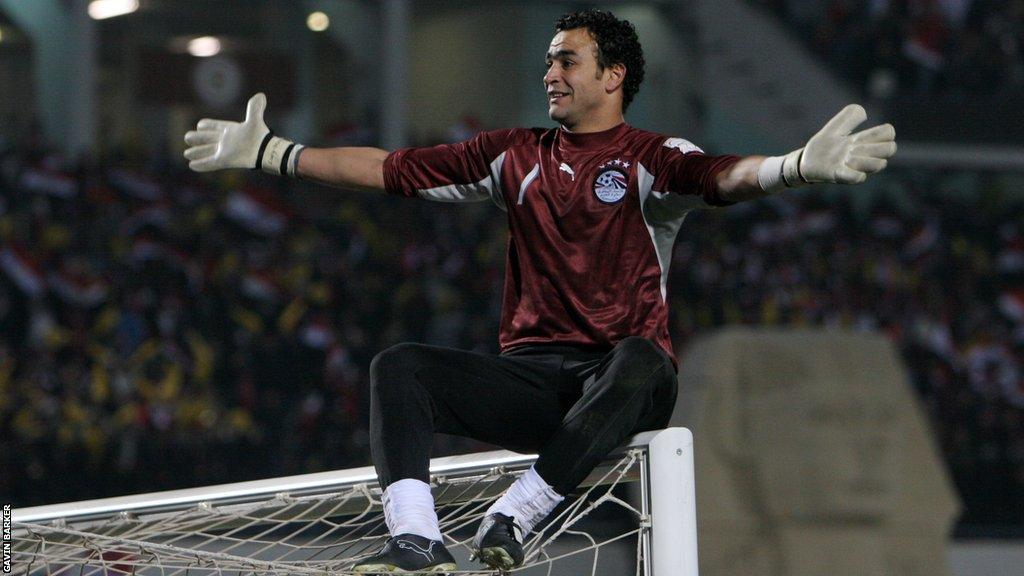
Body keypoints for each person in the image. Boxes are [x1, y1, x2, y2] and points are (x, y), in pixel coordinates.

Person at [183, 9, 896, 574]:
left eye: (566, 59)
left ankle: (517, 515)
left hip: (620, 387)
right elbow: (390, 169)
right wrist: (277, 153)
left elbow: (724, 177)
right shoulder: (511, 155)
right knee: (399, 366)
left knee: (645, 358)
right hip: (536, 387)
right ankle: (415, 540)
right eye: (549, 57)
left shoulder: (653, 157)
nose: (549, 70)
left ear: (612, 74)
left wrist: (797, 166)